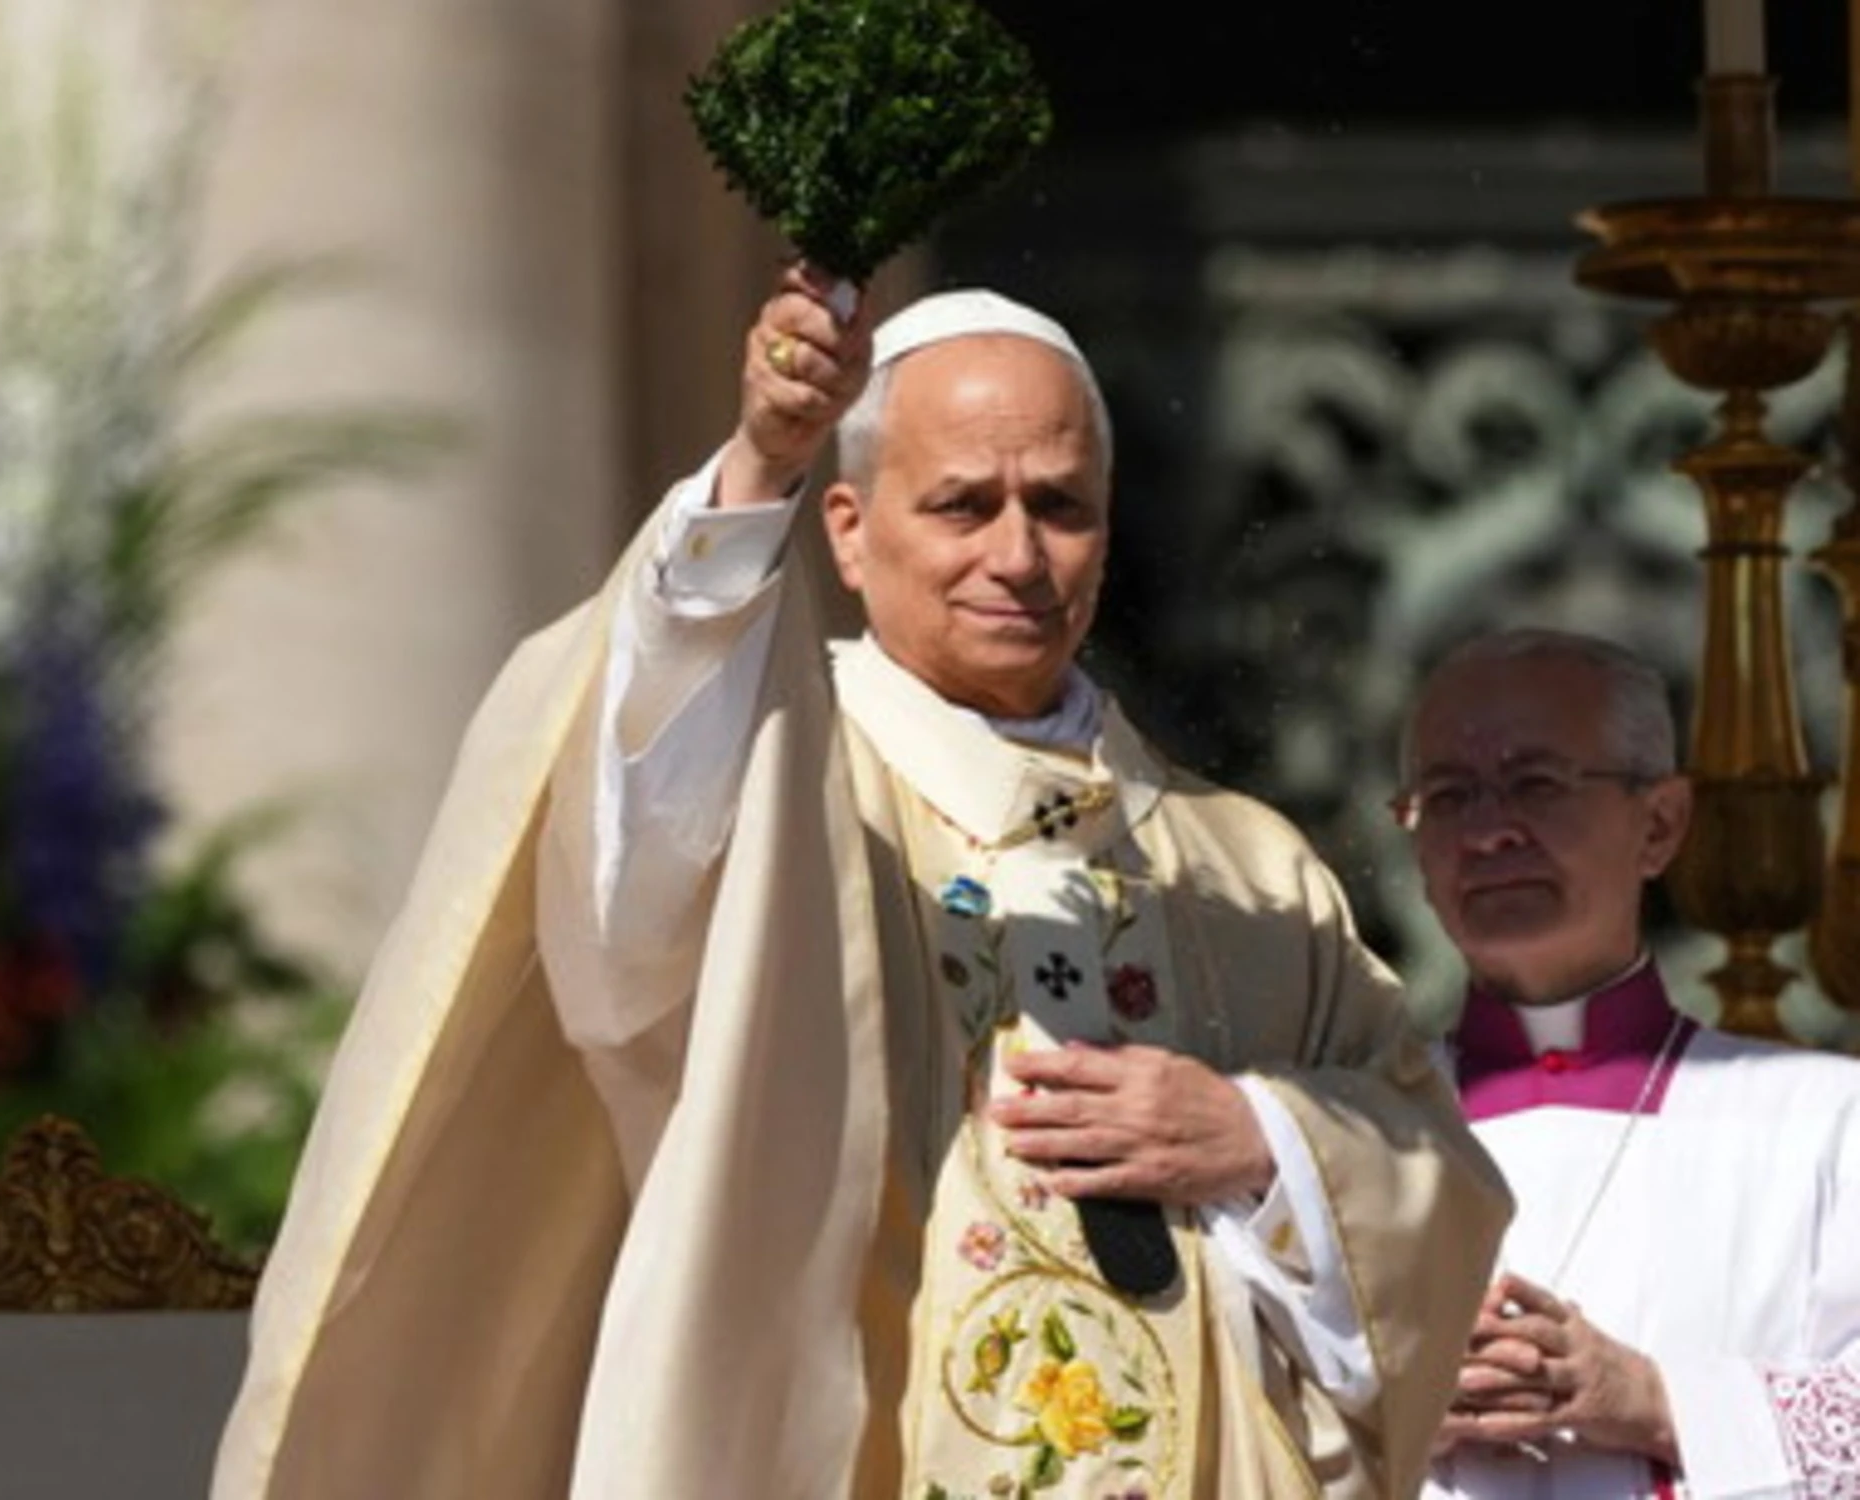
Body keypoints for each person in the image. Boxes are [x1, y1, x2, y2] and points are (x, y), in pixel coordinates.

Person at [212, 266, 1509, 1499]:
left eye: (1060, 506)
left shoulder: (1244, 867)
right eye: (962, 505)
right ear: (845, 527)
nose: (1018, 553)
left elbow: (1433, 1185)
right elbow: (635, 818)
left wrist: (1258, 1141)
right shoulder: (782, 789)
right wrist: (759, 463)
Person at [1406, 628, 1860, 1499]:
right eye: (1449, 796)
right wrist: (1390, 1401)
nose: (1489, 831)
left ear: (1660, 824)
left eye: (1534, 784)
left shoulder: (1825, 1122)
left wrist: (1650, 1399)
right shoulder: (1342, 1136)